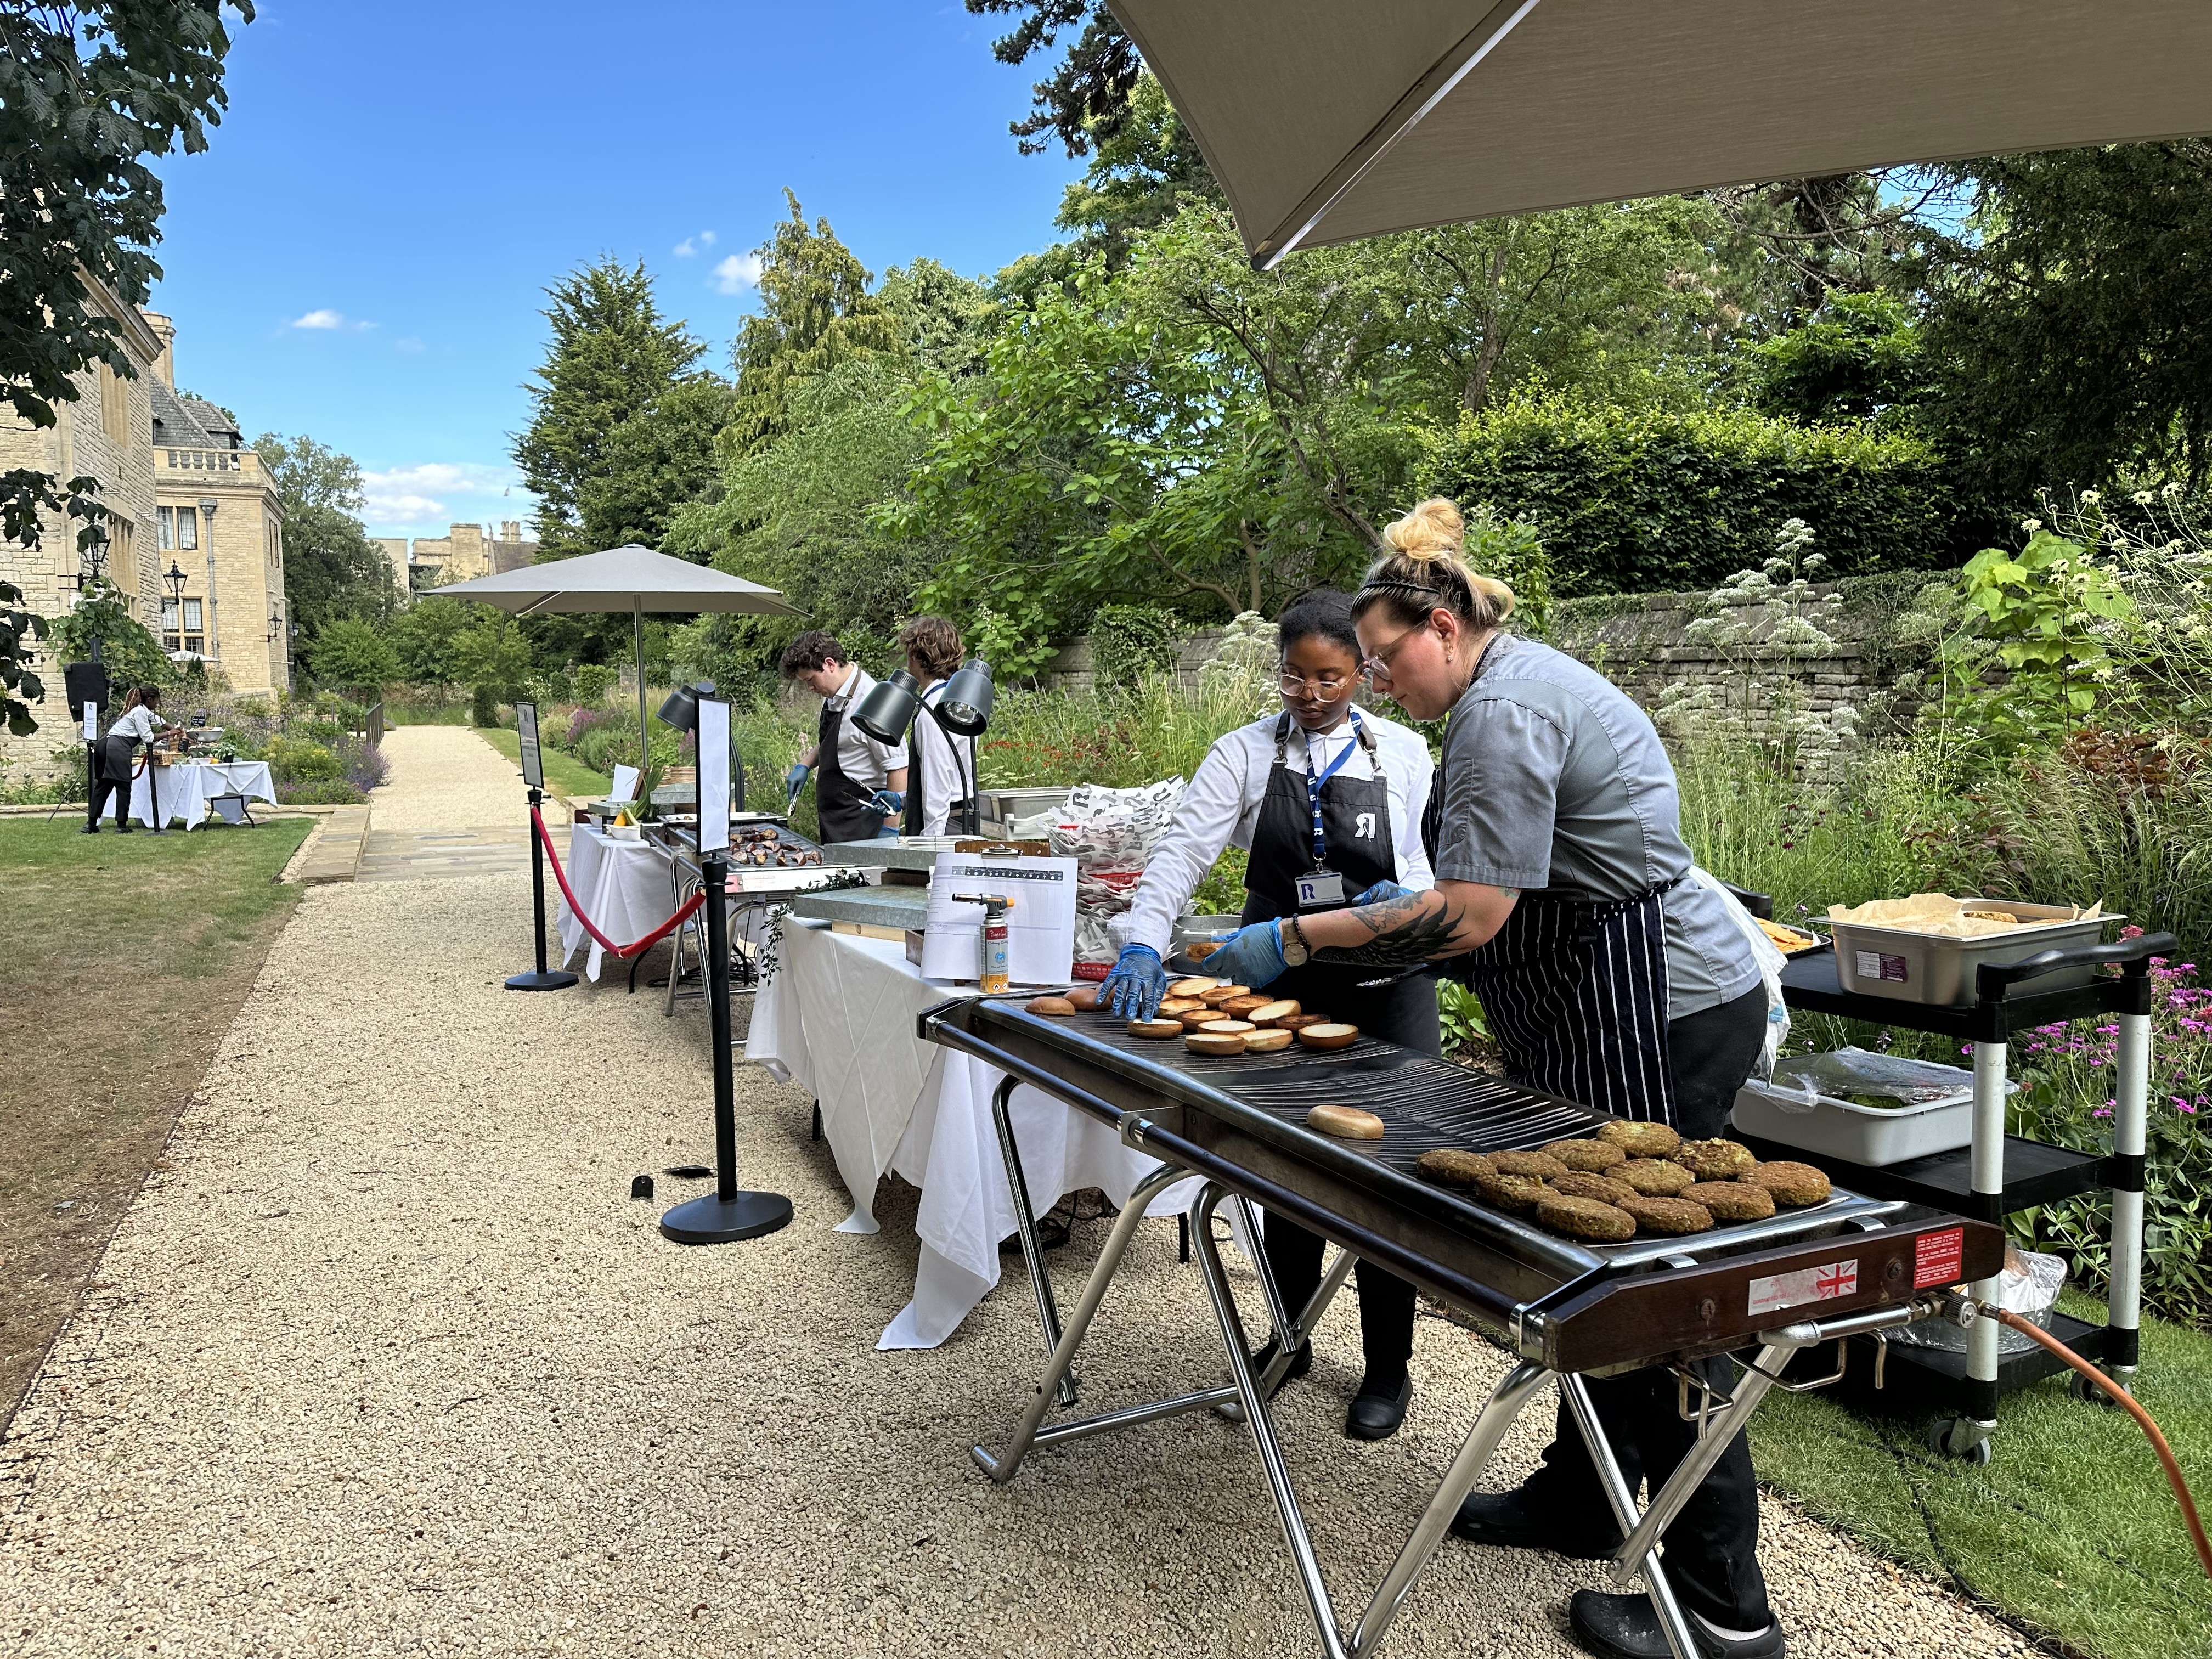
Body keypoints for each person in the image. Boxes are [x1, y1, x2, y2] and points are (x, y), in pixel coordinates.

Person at [1202, 500, 1780, 1659]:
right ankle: (1585, 1494)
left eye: (1386, 656)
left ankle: (1724, 1606)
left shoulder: (1506, 714)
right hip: (1595, 1003)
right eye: (1362, 661)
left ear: (1448, 623)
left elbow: (1467, 919)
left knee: (1653, 1293)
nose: (1377, 680)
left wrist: (1304, 944)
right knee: (1588, 1283)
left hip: (1659, 1008)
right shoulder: (1502, 691)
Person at [1102, 589, 1438, 1441]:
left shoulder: (1401, 749)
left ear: (1363, 670)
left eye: (1331, 676)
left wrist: (1415, 899)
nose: (1312, 693)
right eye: (1296, 676)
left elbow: (1433, 869)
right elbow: (1182, 852)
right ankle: (1288, 1339)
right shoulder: (1245, 753)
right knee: (1288, 1170)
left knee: (1385, 1181)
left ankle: (1388, 1365)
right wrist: (1144, 941)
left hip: (1386, 987)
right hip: (1278, 986)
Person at [778, 631, 909, 844]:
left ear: (830, 664)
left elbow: (899, 766)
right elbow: (836, 743)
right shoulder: (834, 693)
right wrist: (804, 765)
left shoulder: (871, 701)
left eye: (811, 680)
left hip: (865, 823)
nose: (810, 688)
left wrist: (889, 832)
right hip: (836, 820)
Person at [896, 615, 978, 837]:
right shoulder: (956, 700)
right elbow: (949, 775)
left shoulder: (936, 710)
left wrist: (930, 847)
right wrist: (904, 799)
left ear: (916, 655)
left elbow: (938, 785)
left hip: (946, 825)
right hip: (957, 816)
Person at [85, 686, 171, 834]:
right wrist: (169, 733)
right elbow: (148, 738)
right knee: (123, 787)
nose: (158, 704)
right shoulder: (139, 712)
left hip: (103, 745)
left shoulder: (138, 709)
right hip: (117, 748)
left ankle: (90, 825)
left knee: (103, 786)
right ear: (149, 699)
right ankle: (121, 826)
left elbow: (159, 720)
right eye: (157, 701)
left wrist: (177, 729)